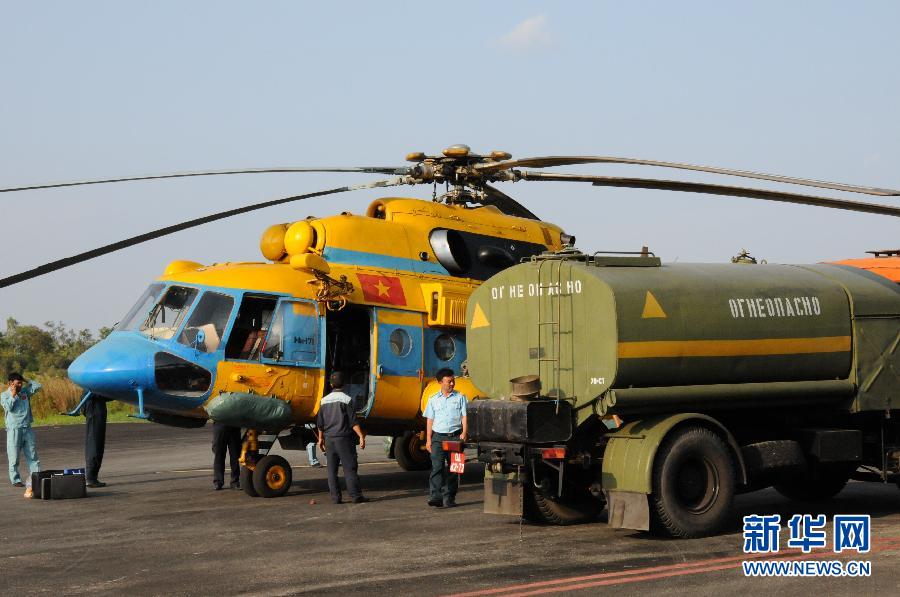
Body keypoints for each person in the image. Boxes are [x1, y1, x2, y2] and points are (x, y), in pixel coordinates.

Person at [316, 371, 368, 504]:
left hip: (329, 439)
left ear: (331, 384)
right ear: (344, 384)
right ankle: (355, 496)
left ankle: (336, 498)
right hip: (344, 439)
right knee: (349, 468)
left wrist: (320, 439)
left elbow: (320, 424)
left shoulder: (323, 401)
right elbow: (353, 422)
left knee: (331, 470)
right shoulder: (347, 399)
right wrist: (361, 436)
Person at [424, 368, 468, 508]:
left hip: (455, 437)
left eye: (453, 381)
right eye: (449, 381)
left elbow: (464, 416)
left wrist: (464, 433)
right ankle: (435, 497)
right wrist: (428, 440)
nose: (452, 384)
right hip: (438, 438)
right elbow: (430, 420)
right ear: (440, 382)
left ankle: (450, 498)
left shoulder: (460, 397)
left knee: (455, 469)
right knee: (437, 467)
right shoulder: (433, 399)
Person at [1, 373, 42, 497]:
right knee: (14, 456)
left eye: (21, 383)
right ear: (10, 383)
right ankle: (16, 479)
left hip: (27, 428)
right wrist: (13, 395)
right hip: (14, 429)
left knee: (33, 455)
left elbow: (38, 386)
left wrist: (25, 379)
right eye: (17, 383)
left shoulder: (25, 392)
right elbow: (9, 408)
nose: (20, 385)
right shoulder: (4, 395)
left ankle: (36, 477)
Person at [83, 394, 110, 488]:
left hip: (94, 401)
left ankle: (91, 477)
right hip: (94, 401)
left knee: (96, 441)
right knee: (95, 442)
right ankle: (91, 478)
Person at [212, 422, 241, 490]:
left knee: (235, 456)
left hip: (234, 426)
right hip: (220, 425)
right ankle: (218, 481)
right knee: (219, 455)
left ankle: (235, 481)